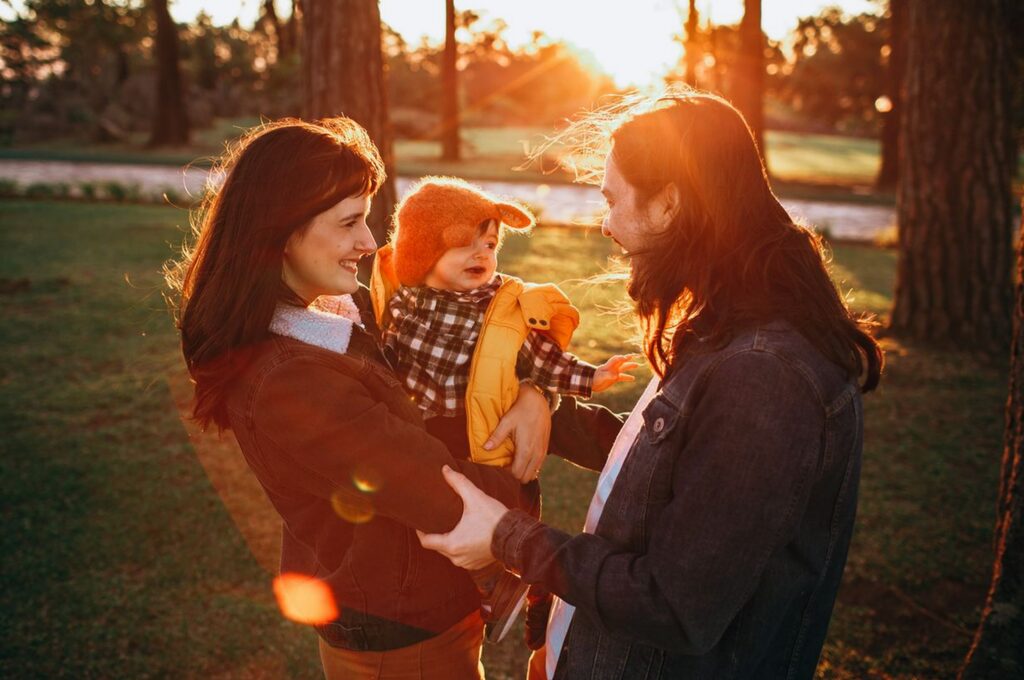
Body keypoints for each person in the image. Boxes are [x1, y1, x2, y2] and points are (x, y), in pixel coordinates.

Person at [417, 89, 885, 679]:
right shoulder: (731, 322)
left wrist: (507, 537)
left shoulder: (765, 375)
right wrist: (541, 407)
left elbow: (673, 604)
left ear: (670, 204)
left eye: (612, 200)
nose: (605, 224)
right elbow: (679, 471)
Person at [166, 117, 619, 680]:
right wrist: (527, 487)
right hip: (397, 633)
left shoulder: (334, 319)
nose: (370, 242)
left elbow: (457, 388)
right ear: (282, 233)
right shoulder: (287, 379)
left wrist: (535, 396)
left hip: (428, 603)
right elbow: (440, 491)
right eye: (350, 222)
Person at [369, 176, 638, 644]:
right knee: (450, 514)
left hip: (496, 413)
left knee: (574, 429)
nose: (482, 255)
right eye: (464, 246)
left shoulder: (502, 306)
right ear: (421, 253)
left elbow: (543, 359)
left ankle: (636, 452)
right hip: (441, 434)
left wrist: (592, 376)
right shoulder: (400, 303)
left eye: (490, 245)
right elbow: (385, 359)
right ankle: (506, 585)